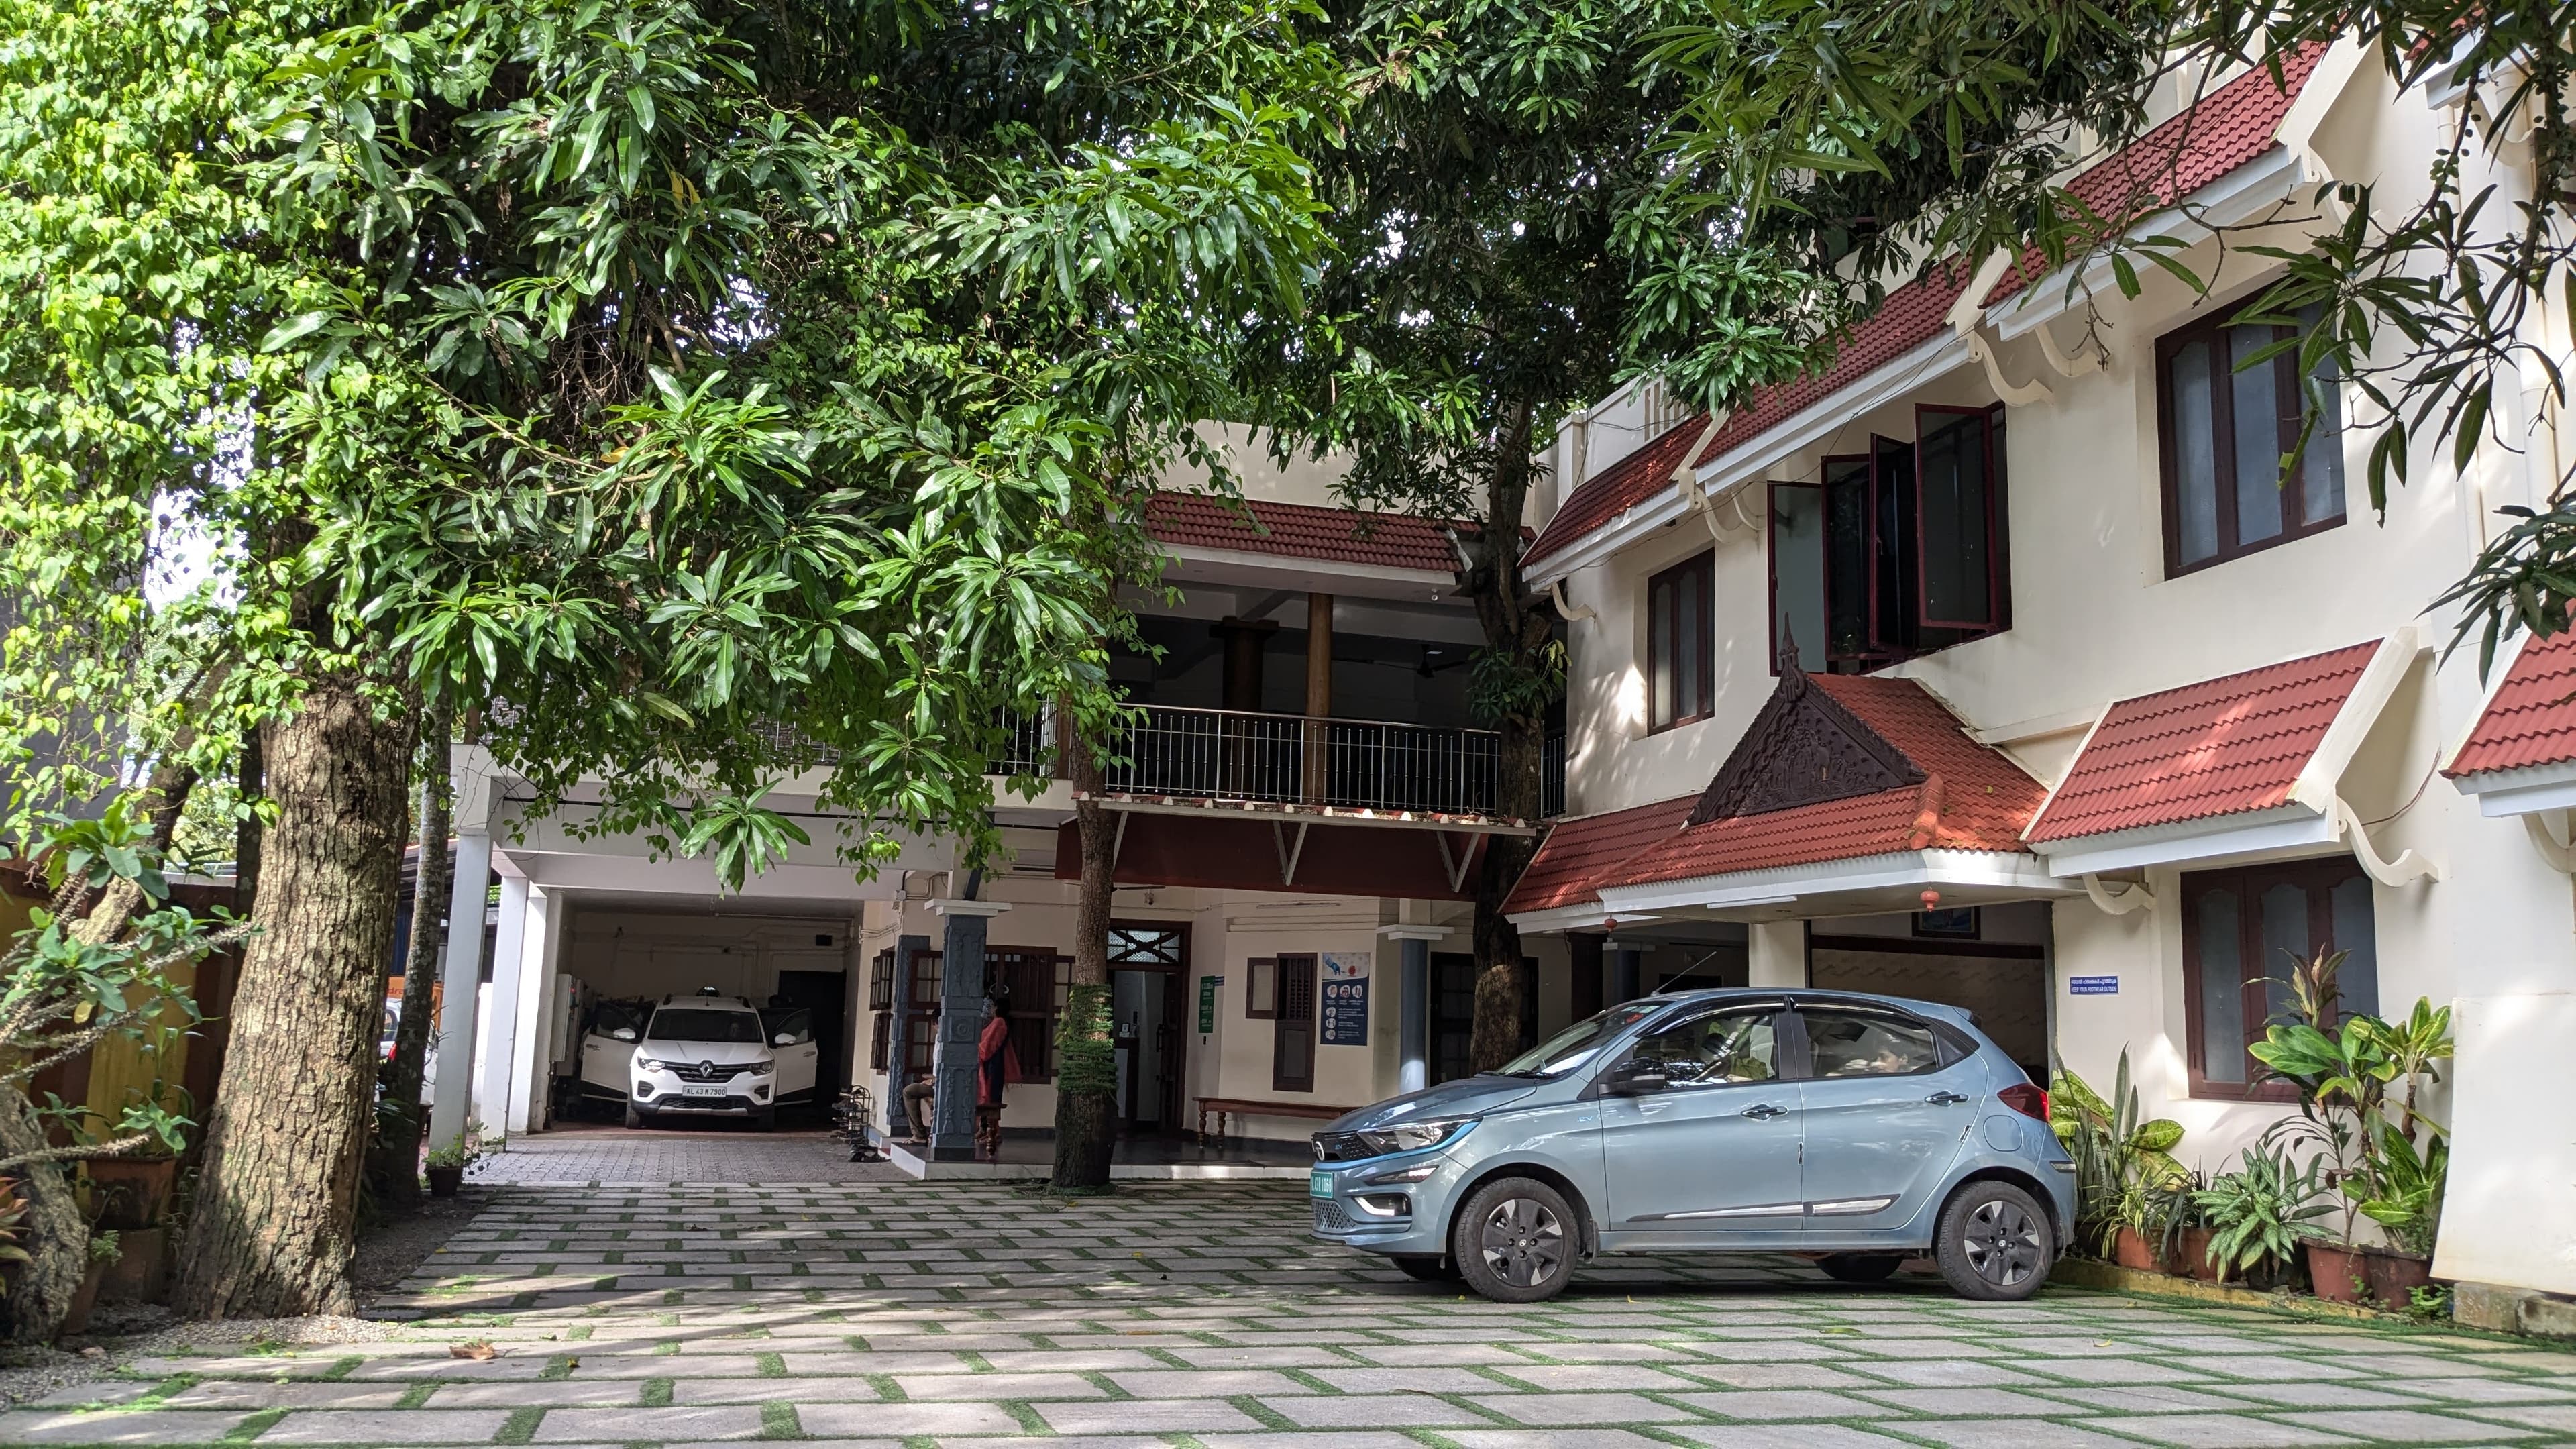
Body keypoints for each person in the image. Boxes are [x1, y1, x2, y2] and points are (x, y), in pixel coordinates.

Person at [975, 990, 1020, 1157]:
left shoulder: (999, 1022)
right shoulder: (997, 1022)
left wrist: (976, 1049)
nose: (991, 1008)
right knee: (989, 1098)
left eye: (993, 1006)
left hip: (992, 1065)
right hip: (991, 1064)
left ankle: (993, 1132)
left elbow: (987, 1047)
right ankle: (984, 1129)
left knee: (991, 1098)